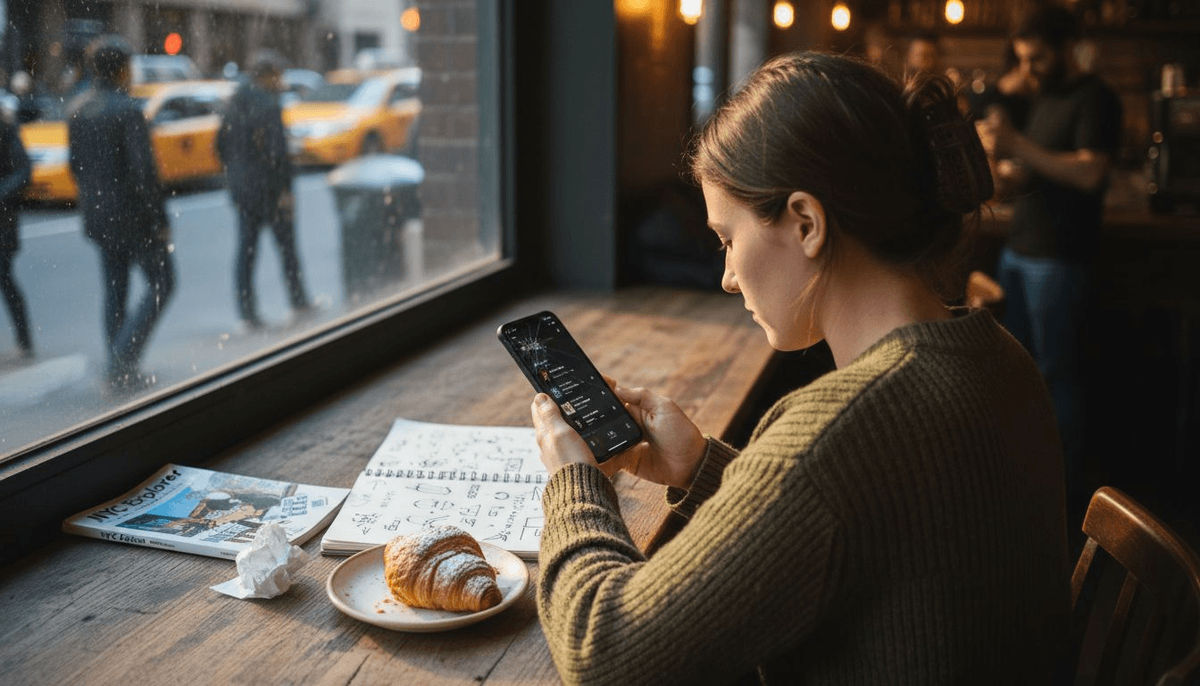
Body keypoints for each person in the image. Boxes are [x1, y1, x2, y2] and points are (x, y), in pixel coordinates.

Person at [529, 53, 1069, 684]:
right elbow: (860, 523)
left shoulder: (833, 433)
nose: (728, 277)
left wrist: (574, 482)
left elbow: (603, 651)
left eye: (728, 238)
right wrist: (704, 469)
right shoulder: (999, 358)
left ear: (806, 223)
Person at [975, 5, 1121, 515]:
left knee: (1056, 376)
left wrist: (1018, 144)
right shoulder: (1044, 97)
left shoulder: (1096, 98)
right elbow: (1040, 171)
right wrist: (1007, 168)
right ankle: (1024, 480)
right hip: (1019, 251)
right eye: (1023, 59)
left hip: (1060, 259)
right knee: (1013, 371)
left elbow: (1089, 174)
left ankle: (1063, 495)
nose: (1029, 69)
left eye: (1037, 59)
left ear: (1065, 48)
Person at [68, 36, 175, 391]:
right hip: (134, 217)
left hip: (99, 216)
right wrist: (159, 222)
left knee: (115, 289)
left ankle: (119, 366)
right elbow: (144, 173)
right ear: (122, 68)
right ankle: (121, 362)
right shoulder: (128, 110)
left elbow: (77, 167)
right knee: (163, 282)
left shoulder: (78, 109)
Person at [217, 49, 310, 330]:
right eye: (278, 75)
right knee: (287, 247)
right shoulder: (269, 105)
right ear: (269, 75)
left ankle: (247, 312)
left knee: (246, 250)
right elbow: (277, 153)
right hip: (269, 189)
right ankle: (298, 301)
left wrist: (236, 175)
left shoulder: (234, 103)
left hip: (244, 190)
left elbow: (220, 145)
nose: (281, 81)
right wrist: (285, 190)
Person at [0, 111, 33, 357]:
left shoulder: (6, 130)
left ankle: (24, 340)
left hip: (3, 221)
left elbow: (23, 172)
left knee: (5, 279)